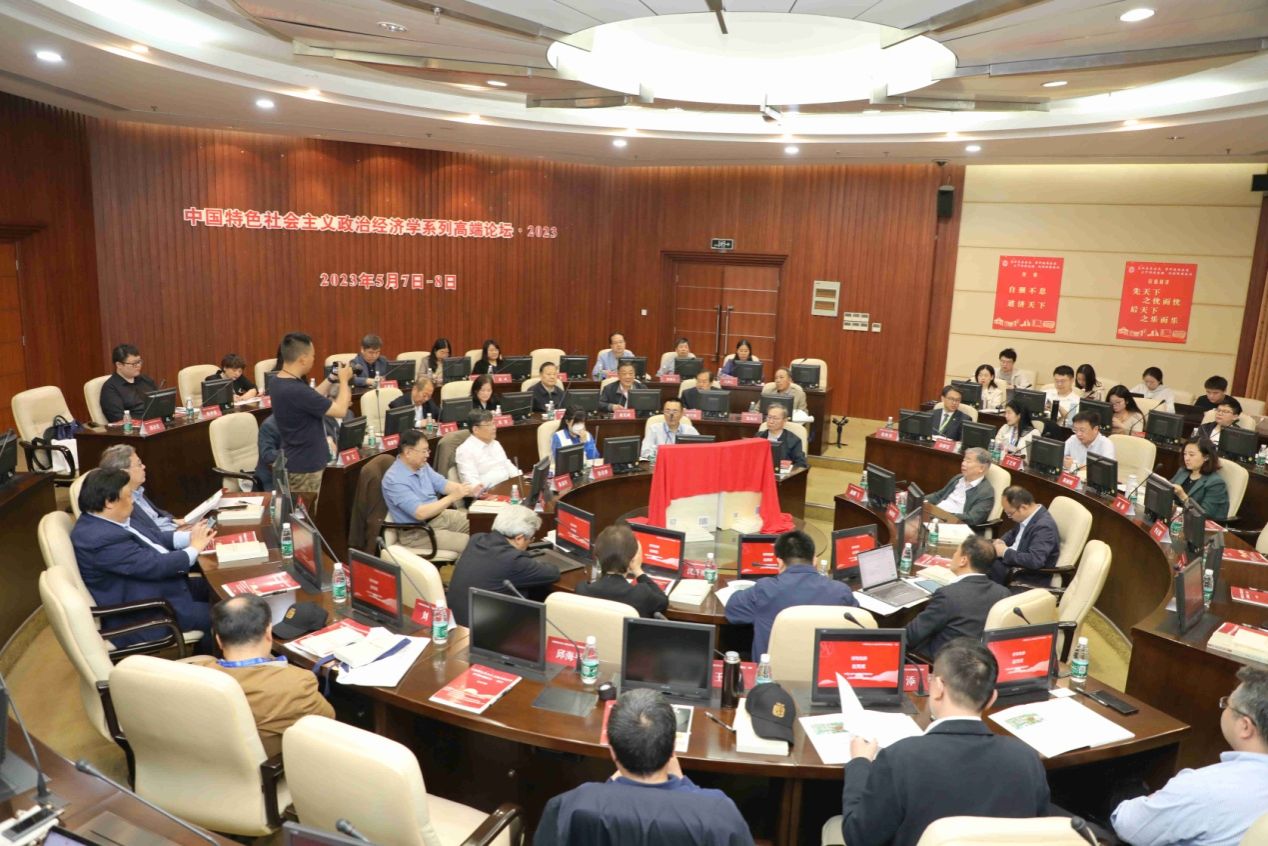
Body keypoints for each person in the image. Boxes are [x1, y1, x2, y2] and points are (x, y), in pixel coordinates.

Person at [836, 639, 1049, 846]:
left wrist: (859, 763)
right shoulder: (1026, 759)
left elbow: (858, 836)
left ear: (938, 687)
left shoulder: (899, 758)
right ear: (992, 698)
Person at [535, 688, 753, 846]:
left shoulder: (572, 804)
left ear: (612, 751)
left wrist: (608, 786)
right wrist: (686, 787)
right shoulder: (718, 812)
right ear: (672, 748)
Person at [1111, 665, 1268, 846]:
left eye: (1227, 704)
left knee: (1117, 788)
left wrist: (1158, 799)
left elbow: (1127, 826)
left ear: (1245, 726)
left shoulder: (1204, 787)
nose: (1224, 708)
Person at [70, 469, 214, 648]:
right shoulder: (99, 540)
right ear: (109, 502)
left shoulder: (108, 519)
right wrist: (194, 548)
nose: (133, 501)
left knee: (217, 591)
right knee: (224, 616)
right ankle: (208, 659)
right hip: (148, 612)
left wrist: (190, 537)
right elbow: (155, 565)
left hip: (161, 588)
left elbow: (154, 538)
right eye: (129, 496)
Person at [187, 595, 334, 757]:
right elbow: (328, 722)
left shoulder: (194, 677)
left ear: (219, 640)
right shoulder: (297, 683)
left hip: (210, 761)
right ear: (268, 633)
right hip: (272, 767)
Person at [724, 530, 858, 659]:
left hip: (769, 673)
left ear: (780, 563)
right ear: (814, 560)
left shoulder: (765, 589)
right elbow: (859, 624)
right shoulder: (841, 591)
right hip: (823, 672)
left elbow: (732, 610)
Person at [269, 332, 353, 512]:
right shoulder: (296, 390)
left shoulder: (279, 381)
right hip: (305, 468)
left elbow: (311, 397)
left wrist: (331, 379)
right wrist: (344, 380)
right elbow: (341, 410)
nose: (314, 360)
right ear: (302, 359)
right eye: (313, 356)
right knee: (304, 520)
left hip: (297, 460)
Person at [447, 505, 558, 627]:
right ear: (519, 538)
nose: (530, 542)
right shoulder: (514, 561)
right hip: (484, 630)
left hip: (455, 621)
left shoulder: (476, 539)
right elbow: (553, 573)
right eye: (531, 539)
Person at [904, 537, 1012, 658]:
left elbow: (910, 636)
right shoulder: (1004, 593)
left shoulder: (948, 595)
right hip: (979, 660)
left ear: (963, 560)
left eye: (956, 552)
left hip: (944, 661)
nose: (953, 555)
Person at [381, 429, 474, 558]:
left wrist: (468, 489)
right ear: (408, 452)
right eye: (424, 451)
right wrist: (452, 497)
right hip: (417, 532)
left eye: (428, 450)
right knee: (472, 543)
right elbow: (420, 513)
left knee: (480, 524)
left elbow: (443, 484)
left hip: (439, 517)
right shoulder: (394, 479)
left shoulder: (422, 466)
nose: (427, 455)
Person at [576, 524, 669, 618]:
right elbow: (663, 602)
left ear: (597, 557)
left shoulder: (582, 590)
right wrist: (637, 569)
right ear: (633, 558)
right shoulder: (642, 594)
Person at [97, 444, 182, 542]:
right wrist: (180, 533)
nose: (144, 466)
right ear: (124, 473)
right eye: (139, 464)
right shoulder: (122, 503)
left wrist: (176, 522)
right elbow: (149, 536)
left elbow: (158, 514)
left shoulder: (137, 490)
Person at [990, 486, 1060, 584]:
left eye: (1010, 513)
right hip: (1011, 564)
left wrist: (1005, 552)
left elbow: (1035, 560)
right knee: (978, 552)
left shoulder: (1044, 527)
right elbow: (1013, 533)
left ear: (1023, 507)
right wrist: (1001, 541)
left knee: (978, 567)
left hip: (1024, 576)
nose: (1009, 517)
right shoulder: (1028, 515)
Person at [926, 448, 995, 525]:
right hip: (934, 516)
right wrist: (922, 500)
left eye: (968, 461)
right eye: (964, 460)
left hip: (952, 524)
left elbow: (973, 518)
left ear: (981, 468)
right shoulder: (958, 478)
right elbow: (938, 496)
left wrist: (944, 515)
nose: (963, 463)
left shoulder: (986, 492)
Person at [455, 409, 520, 489]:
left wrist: (520, 480)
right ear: (475, 429)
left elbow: (508, 465)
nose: (494, 428)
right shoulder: (465, 450)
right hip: (487, 493)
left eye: (493, 423)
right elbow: (472, 483)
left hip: (507, 487)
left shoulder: (495, 444)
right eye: (488, 425)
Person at [1170, 437, 1230, 521]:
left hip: (1198, 525)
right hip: (1176, 518)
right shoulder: (1183, 471)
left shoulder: (1216, 483)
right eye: (1185, 454)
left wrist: (1183, 496)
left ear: (1206, 457)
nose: (1186, 458)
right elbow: (1167, 491)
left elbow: (1205, 515)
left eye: (1191, 455)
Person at [100, 343, 159, 423]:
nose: (138, 366)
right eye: (134, 364)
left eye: (139, 362)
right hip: (135, 428)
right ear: (119, 365)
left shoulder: (145, 380)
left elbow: (159, 403)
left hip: (157, 423)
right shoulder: (110, 388)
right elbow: (118, 419)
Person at [758, 404, 807, 469]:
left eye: (775, 418)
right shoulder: (759, 436)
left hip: (782, 474)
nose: (771, 421)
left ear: (784, 421)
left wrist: (788, 469)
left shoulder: (793, 440)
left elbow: (801, 464)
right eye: (769, 417)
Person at [255, 415, 281, 490]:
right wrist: (291, 451)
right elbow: (268, 455)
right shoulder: (269, 425)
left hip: (296, 475)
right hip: (272, 480)